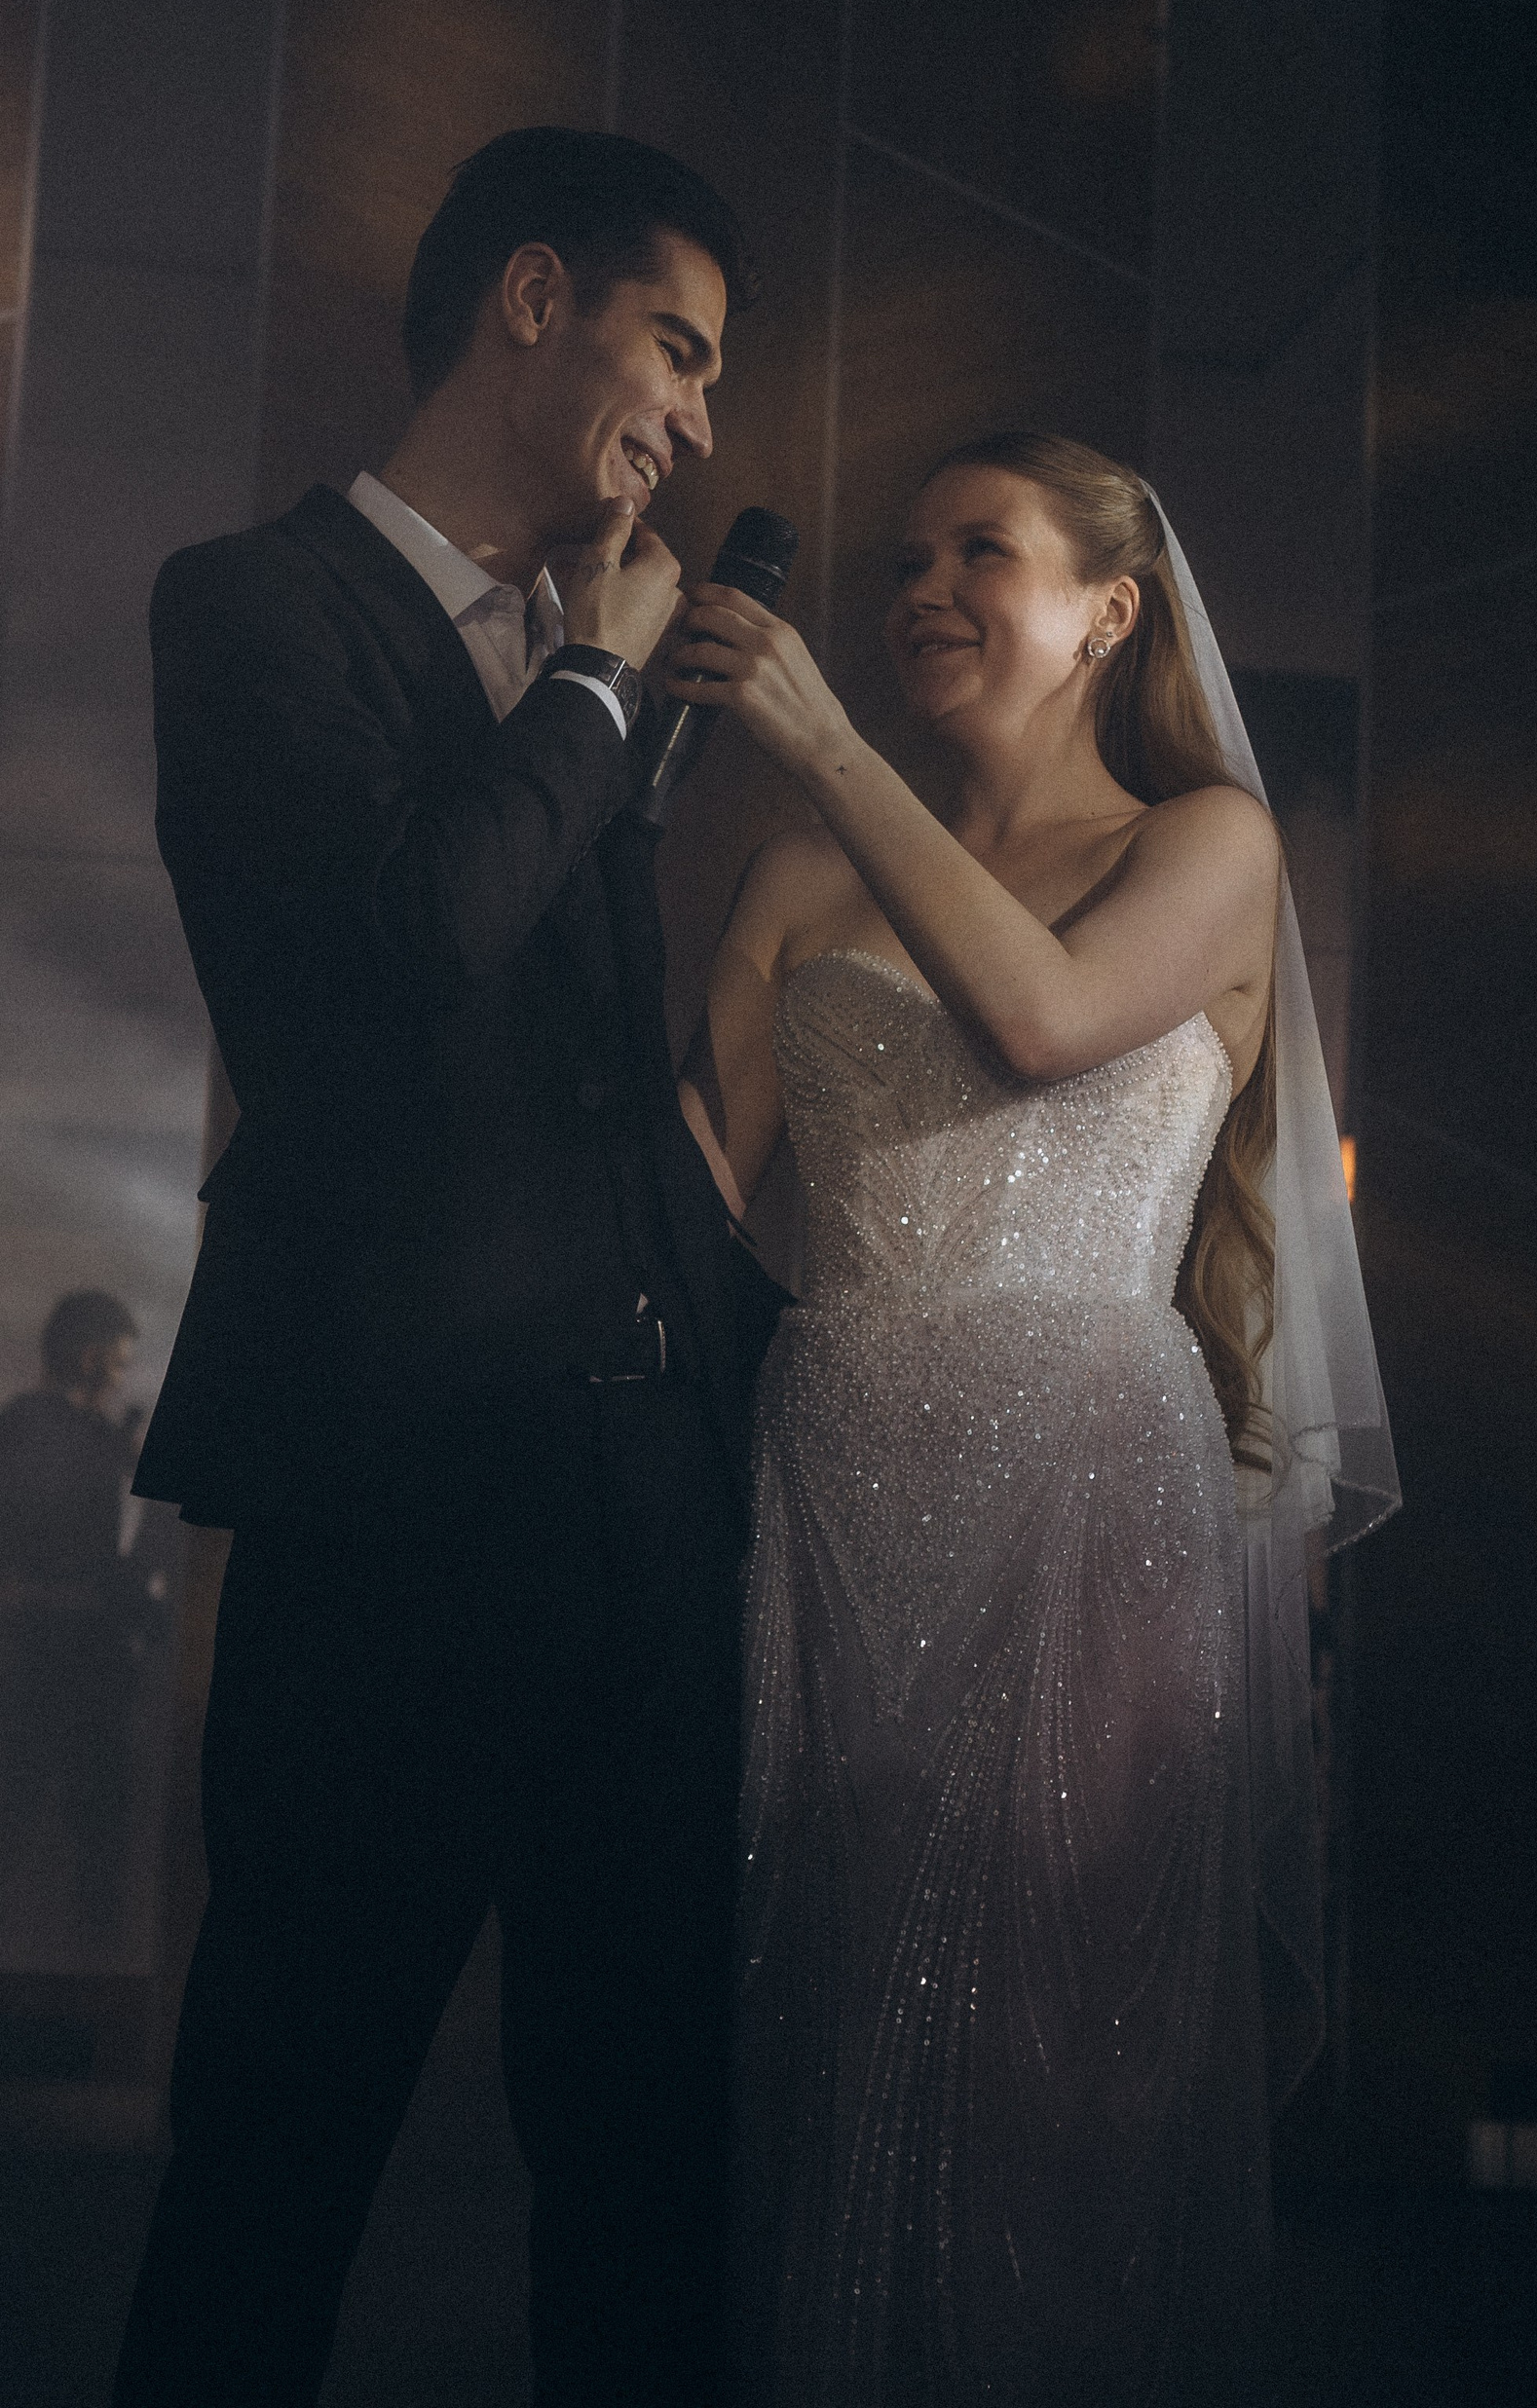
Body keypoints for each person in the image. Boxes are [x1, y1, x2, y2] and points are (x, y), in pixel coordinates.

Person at [113, 128, 788, 2408]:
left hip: (649, 1516)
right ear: (531, 297)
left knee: (645, 2159)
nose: (696, 418)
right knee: (281, 2140)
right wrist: (591, 685)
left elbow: (599, 1086)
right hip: (390, 1500)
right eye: (678, 347)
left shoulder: (593, 655)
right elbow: (397, 960)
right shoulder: (253, 604)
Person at [676, 431, 1399, 2406]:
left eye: (976, 553)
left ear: (1108, 612)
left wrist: (822, 745)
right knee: (835, 2008)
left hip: (1085, 1486)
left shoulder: (1207, 844)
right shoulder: (796, 876)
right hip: (831, 1483)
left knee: (1058, 2054)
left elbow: (1049, 1021)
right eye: (905, 559)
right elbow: (682, 1197)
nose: (920, 588)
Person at [0, 1291, 168, 1960]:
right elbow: (81, 1552)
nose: (121, 1377)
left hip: (55, 1651)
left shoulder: (32, 1428)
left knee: (58, 1816)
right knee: (75, 1820)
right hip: (57, 1652)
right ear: (88, 1355)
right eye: (117, 1363)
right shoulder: (47, 1431)